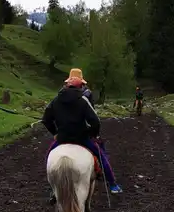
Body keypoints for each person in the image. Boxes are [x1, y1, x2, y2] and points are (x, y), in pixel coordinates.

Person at [42, 68, 123, 200]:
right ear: (81, 84)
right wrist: (92, 134)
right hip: (82, 138)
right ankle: (113, 184)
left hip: (62, 138)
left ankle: (53, 188)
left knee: (48, 157)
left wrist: (55, 133)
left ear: (67, 83)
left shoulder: (56, 100)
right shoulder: (83, 100)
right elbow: (96, 122)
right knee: (102, 158)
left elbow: (46, 119)